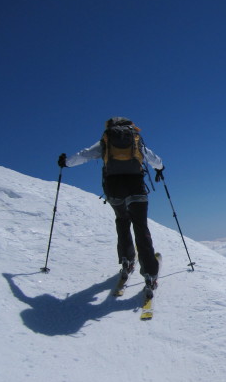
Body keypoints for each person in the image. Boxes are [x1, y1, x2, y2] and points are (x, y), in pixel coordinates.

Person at [57, 117, 164, 292]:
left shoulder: (106, 141)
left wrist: (66, 162)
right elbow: (153, 159)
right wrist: (160, 168)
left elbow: (84, 154)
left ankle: (126, 261)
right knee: (141, 227)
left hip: (114, 189)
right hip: (136, 187)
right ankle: (150, 274)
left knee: (122, 221)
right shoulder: (135, 139)